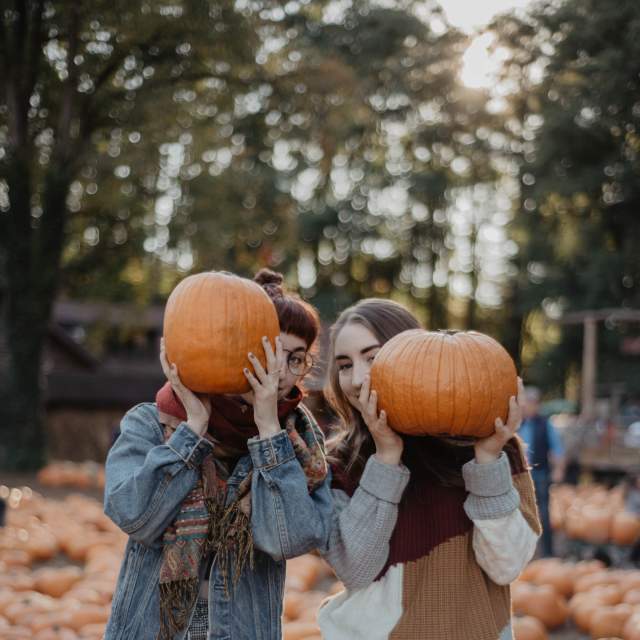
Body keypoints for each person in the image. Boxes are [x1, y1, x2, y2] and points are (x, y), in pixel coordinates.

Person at [103, 269, 332, 640]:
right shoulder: (151, 424)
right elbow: (135, 516)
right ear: (238, 344)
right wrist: (192, 431)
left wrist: (269, 432)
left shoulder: (299, 444)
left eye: (295, 359)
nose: (281, 373)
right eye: (272, 352)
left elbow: (287, 540)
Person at [318, 299, 541, 640]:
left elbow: (506, 565)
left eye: (372, 358)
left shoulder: (495, 450)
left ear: (414, 357)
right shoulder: (341, 462)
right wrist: (386, 458)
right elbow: (356, 569)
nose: (358, 379)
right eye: (345, 365)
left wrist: (485, 461)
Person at [520, 386, 566, 557]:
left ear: (537, 405)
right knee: (520, 515)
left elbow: (557, 449)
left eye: (532, 403)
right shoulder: (517, 424)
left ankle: (547, 554)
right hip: (519, 477)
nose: (528, 406)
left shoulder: (546, 424)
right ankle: (523, 554)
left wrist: (559, 469)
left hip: (540, 474)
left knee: (544, 515)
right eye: (526, 403)